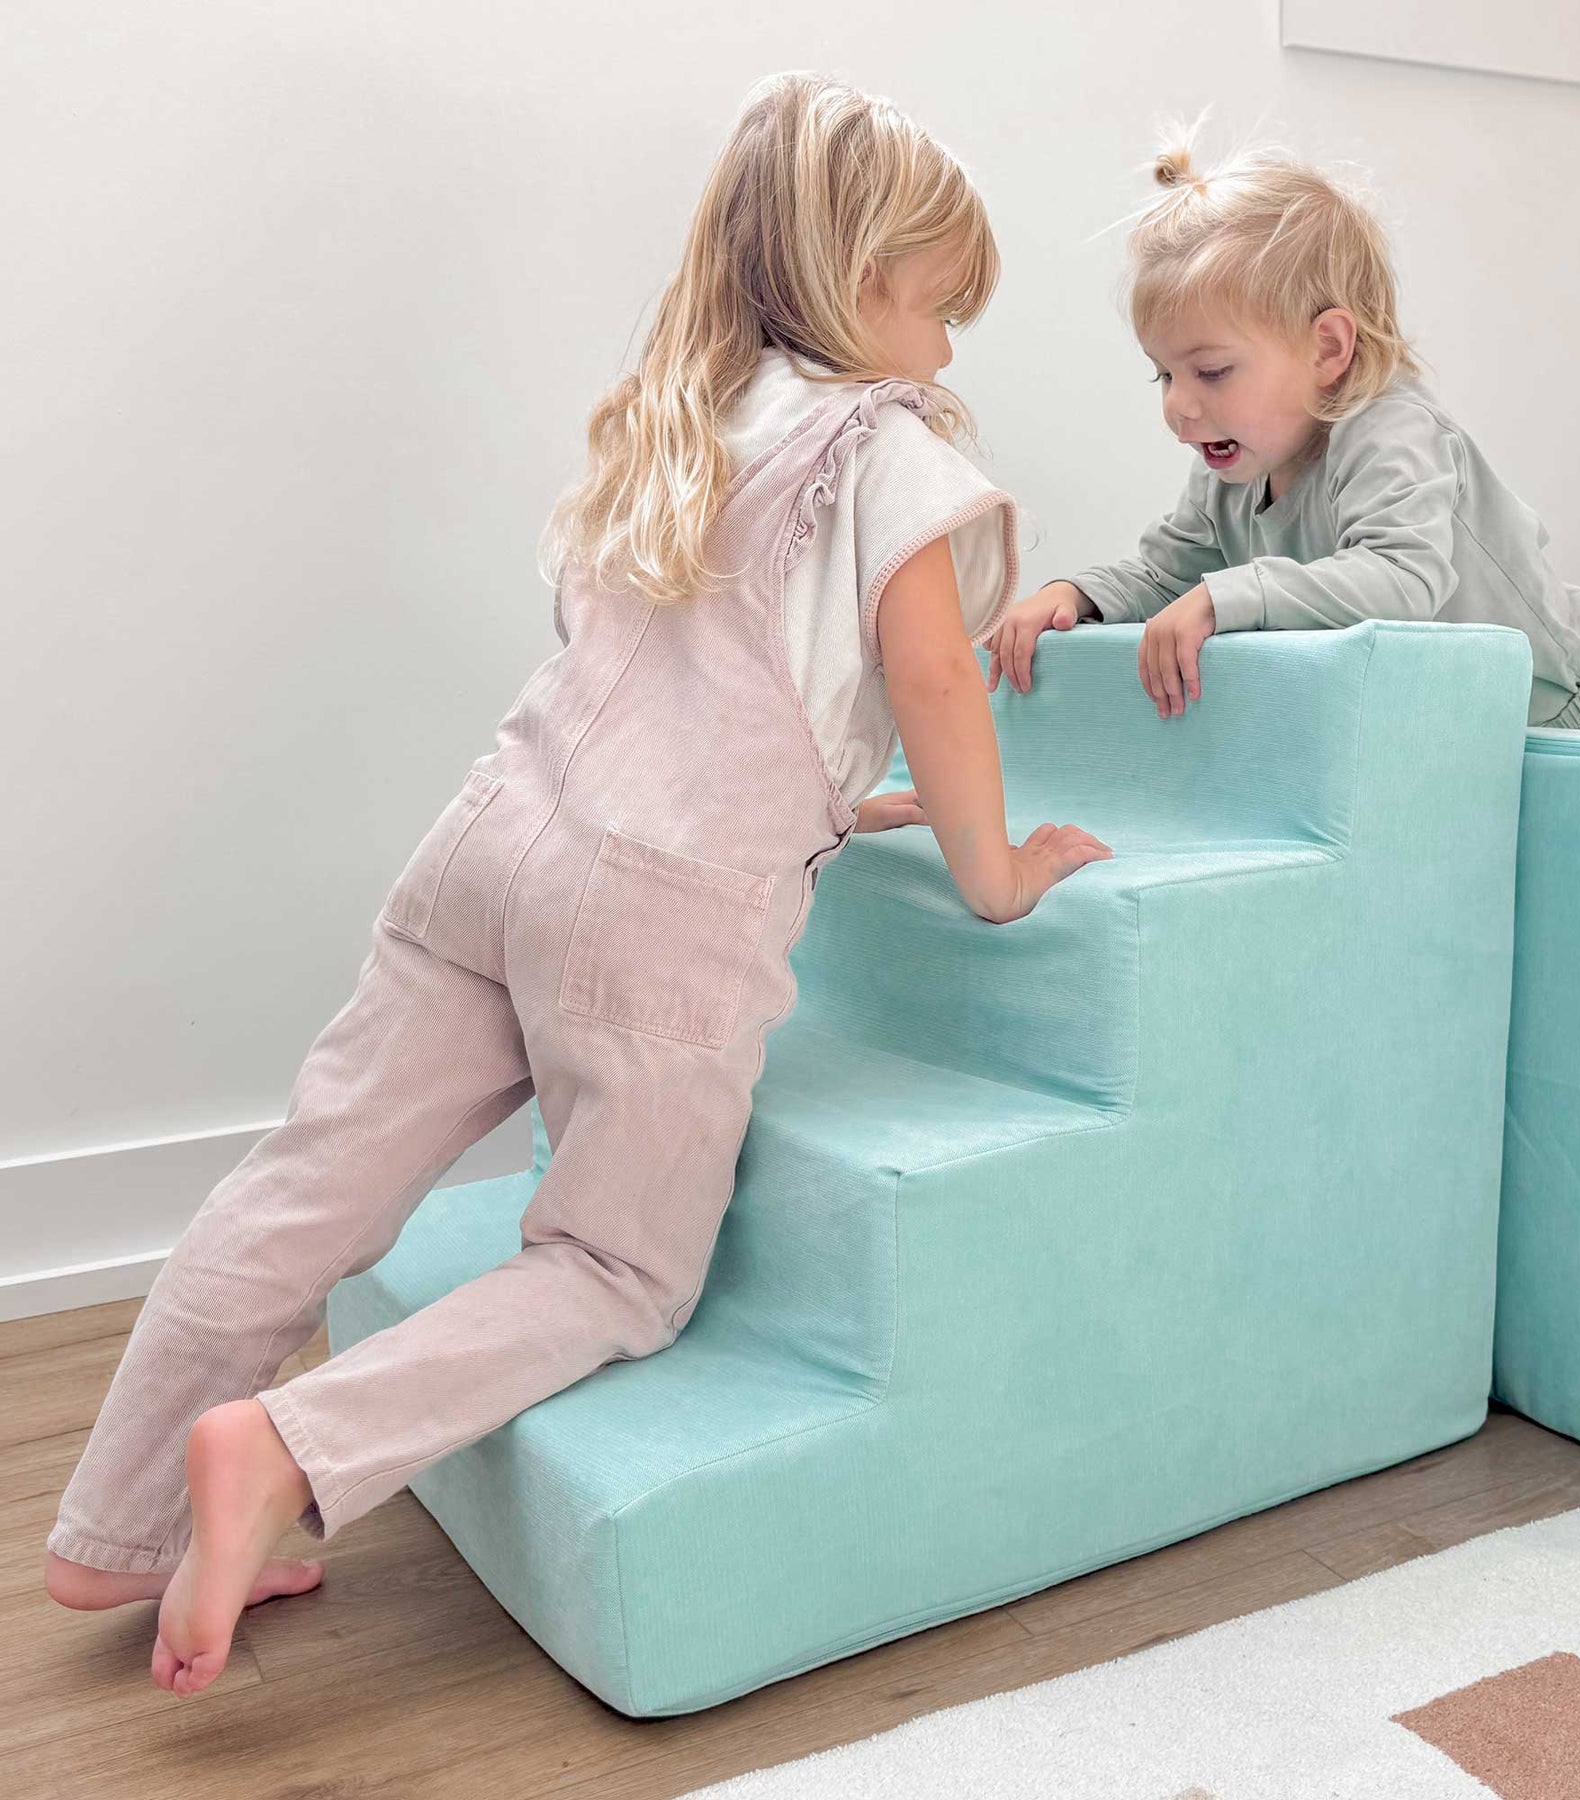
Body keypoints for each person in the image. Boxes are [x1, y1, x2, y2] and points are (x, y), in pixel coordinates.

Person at [43, 69, 1110, 1699]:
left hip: (492, 846)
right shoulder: (882, 445)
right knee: (619, 1269)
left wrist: (832, 797)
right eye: (940, 308)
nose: (949, 352)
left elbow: (691, 683)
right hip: (657, 920)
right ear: (858, 279)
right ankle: (285, 1451)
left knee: (308, 1184)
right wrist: (994, 866)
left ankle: (113, 1527)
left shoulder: (683, 413)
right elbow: (933, 672)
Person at [986, 139, 1580, 731]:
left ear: (1327, 348)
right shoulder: (1234, 466)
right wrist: (1079, 595)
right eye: (1165, 374)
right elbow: (1167, 575)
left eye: (1211, 371)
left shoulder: (1391, 431)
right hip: (1432, 728)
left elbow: (1401, 578)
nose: (1177, 405)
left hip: (1544, 719)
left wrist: (1228, 596)